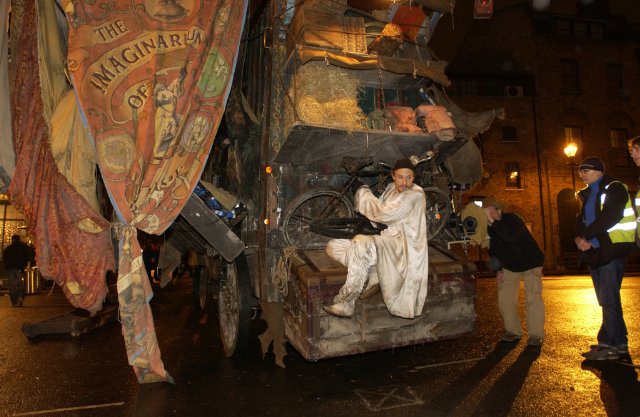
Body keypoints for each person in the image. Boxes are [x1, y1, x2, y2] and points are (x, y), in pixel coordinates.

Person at [323, 158, 429, 319]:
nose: (404, 182)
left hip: (402, 248)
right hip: (385, 242)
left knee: (360, 243)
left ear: (413, 178)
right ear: (393, 176)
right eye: (400, 177)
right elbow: (377, 217)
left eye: (409, 178)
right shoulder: (390, 188)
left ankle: (346, 302)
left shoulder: (415, 195)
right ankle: (375, 269)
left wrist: (361, 190)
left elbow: (382, 213)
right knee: (333, 246)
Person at [574, 156, 636, 361]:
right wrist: (579, 237)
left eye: (586, 170)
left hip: (612, 249)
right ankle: (617, 342)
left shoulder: (615, 187)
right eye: (580, 171)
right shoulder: (588, 193)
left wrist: (586, 237)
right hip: (596, 252)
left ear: (599, 171)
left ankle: (610, 344)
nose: (581, 174)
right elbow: (582, 220)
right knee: (607, 299)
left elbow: (611, 216)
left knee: (608, 298)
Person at [483, 197, 545, 348]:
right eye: (484, 212)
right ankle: (512, 331)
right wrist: (498, 270)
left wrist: (494, 222)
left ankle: (536, 335)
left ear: (498, 210)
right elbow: (492, 250)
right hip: (510, 264)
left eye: (489, 211)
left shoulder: (513, 219)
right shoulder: (490, 227)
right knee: (505, 297)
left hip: (531, 261)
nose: (487, 215)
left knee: (532, 297)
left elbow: (508, 237)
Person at [3, 235, 33, 307]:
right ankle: (20, 297)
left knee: (12, 286)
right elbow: (30, 254)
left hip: (10, 269)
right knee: (21, 285)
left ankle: (14, 302)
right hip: (20, 269)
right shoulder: (23, 247)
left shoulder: (8, 248)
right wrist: (25, 263)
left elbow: (5, 258)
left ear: (12, 240)